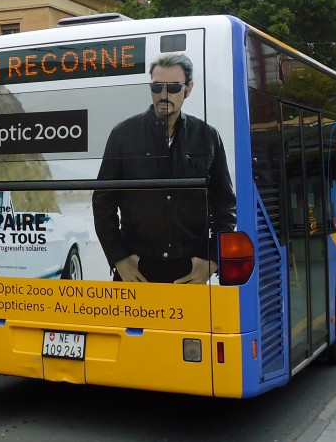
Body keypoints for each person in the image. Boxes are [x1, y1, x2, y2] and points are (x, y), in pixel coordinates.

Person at [92, 52, 237, 284]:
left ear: (188, 88)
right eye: (157, 87)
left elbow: (225, 204)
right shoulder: (123, 135)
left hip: (190, 269)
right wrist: (119, 258)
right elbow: (102, 202)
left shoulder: (207, 137)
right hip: (136, 268)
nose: (164, 94)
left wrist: (212, 260)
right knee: (136, 323)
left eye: (173, 87)